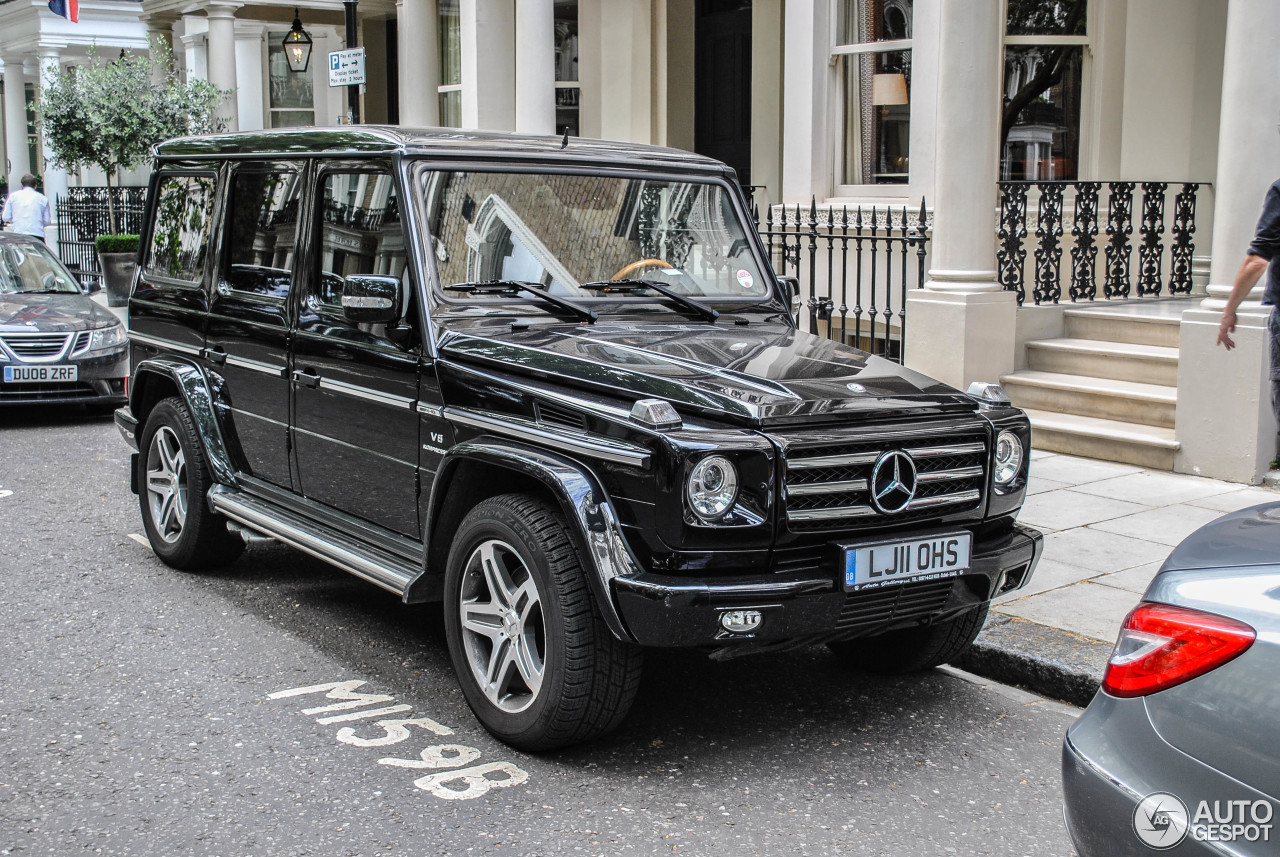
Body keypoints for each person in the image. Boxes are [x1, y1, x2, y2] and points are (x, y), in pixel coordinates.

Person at [1, 174, 52, 241]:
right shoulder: (43, 198)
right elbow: (47, 221)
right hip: (37, 234)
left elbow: (5, 217)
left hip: (19, 233)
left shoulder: (13, 197)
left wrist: (16, 219)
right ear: (35, 186)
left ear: (22, 186)